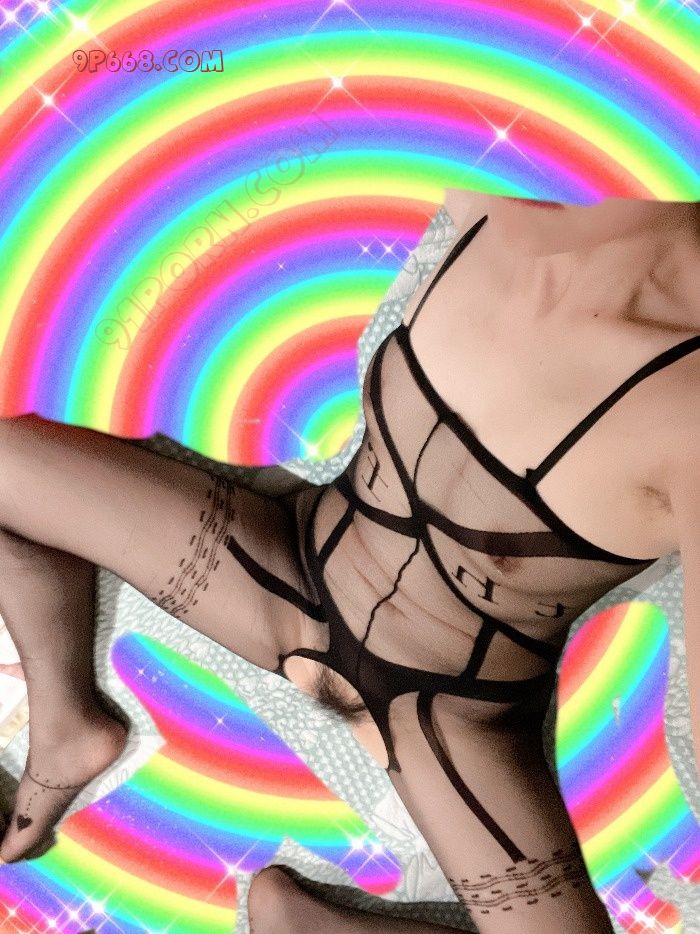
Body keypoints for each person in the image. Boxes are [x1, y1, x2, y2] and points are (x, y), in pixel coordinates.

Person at [0, 189, 698, 934]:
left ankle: (306, 920)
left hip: (450, 711)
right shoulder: (509, 198)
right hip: (294, 561)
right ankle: (70, 727)